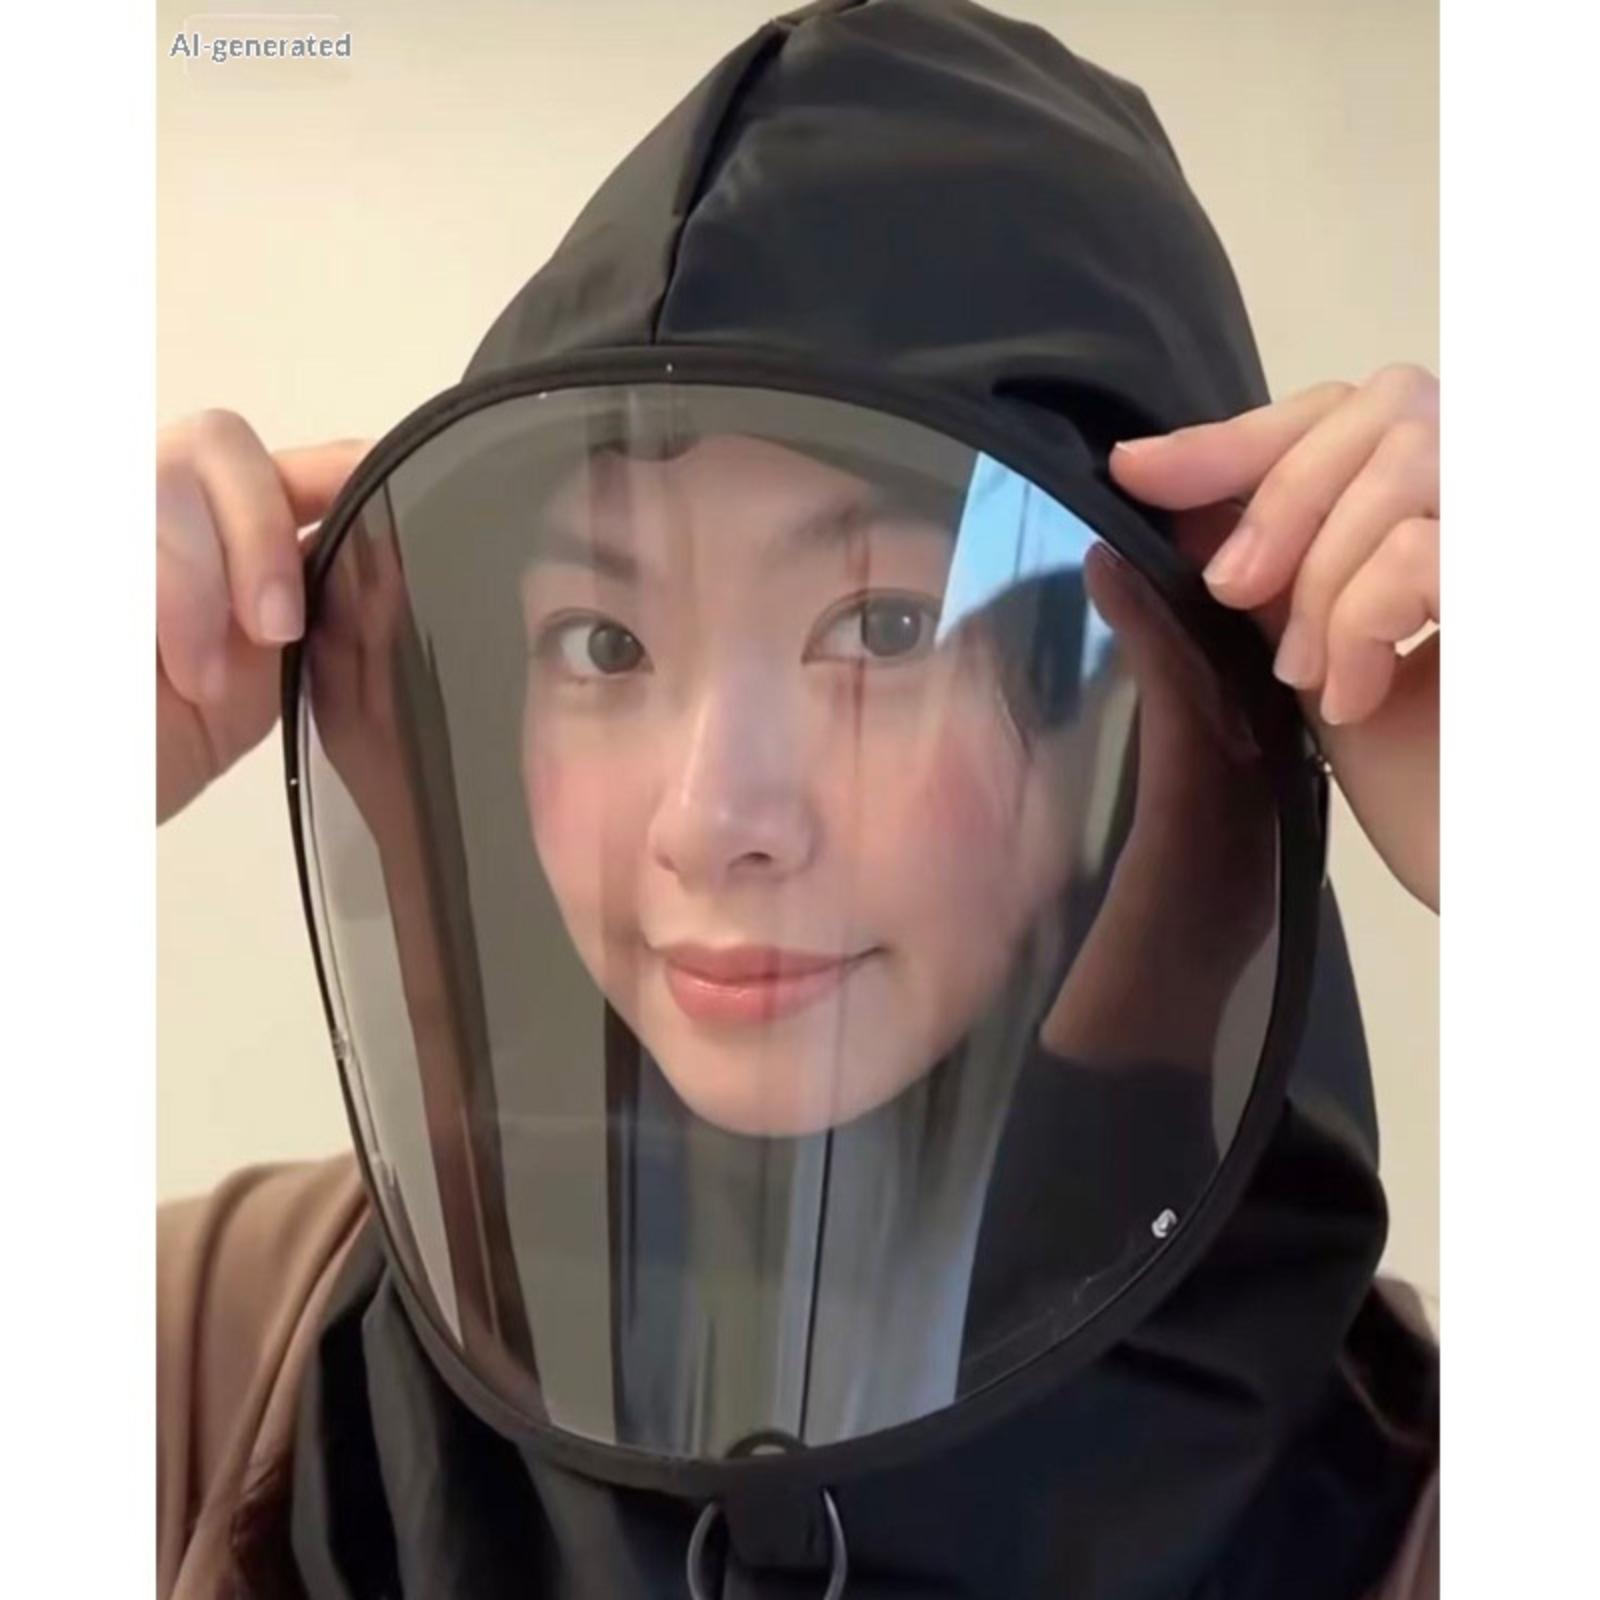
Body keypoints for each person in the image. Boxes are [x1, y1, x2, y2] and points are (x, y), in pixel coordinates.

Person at [157, 3, 1439, 1596]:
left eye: (883, 629)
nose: (713, 818)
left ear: (1166, 700)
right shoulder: (218, 1359)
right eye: (604, 641)